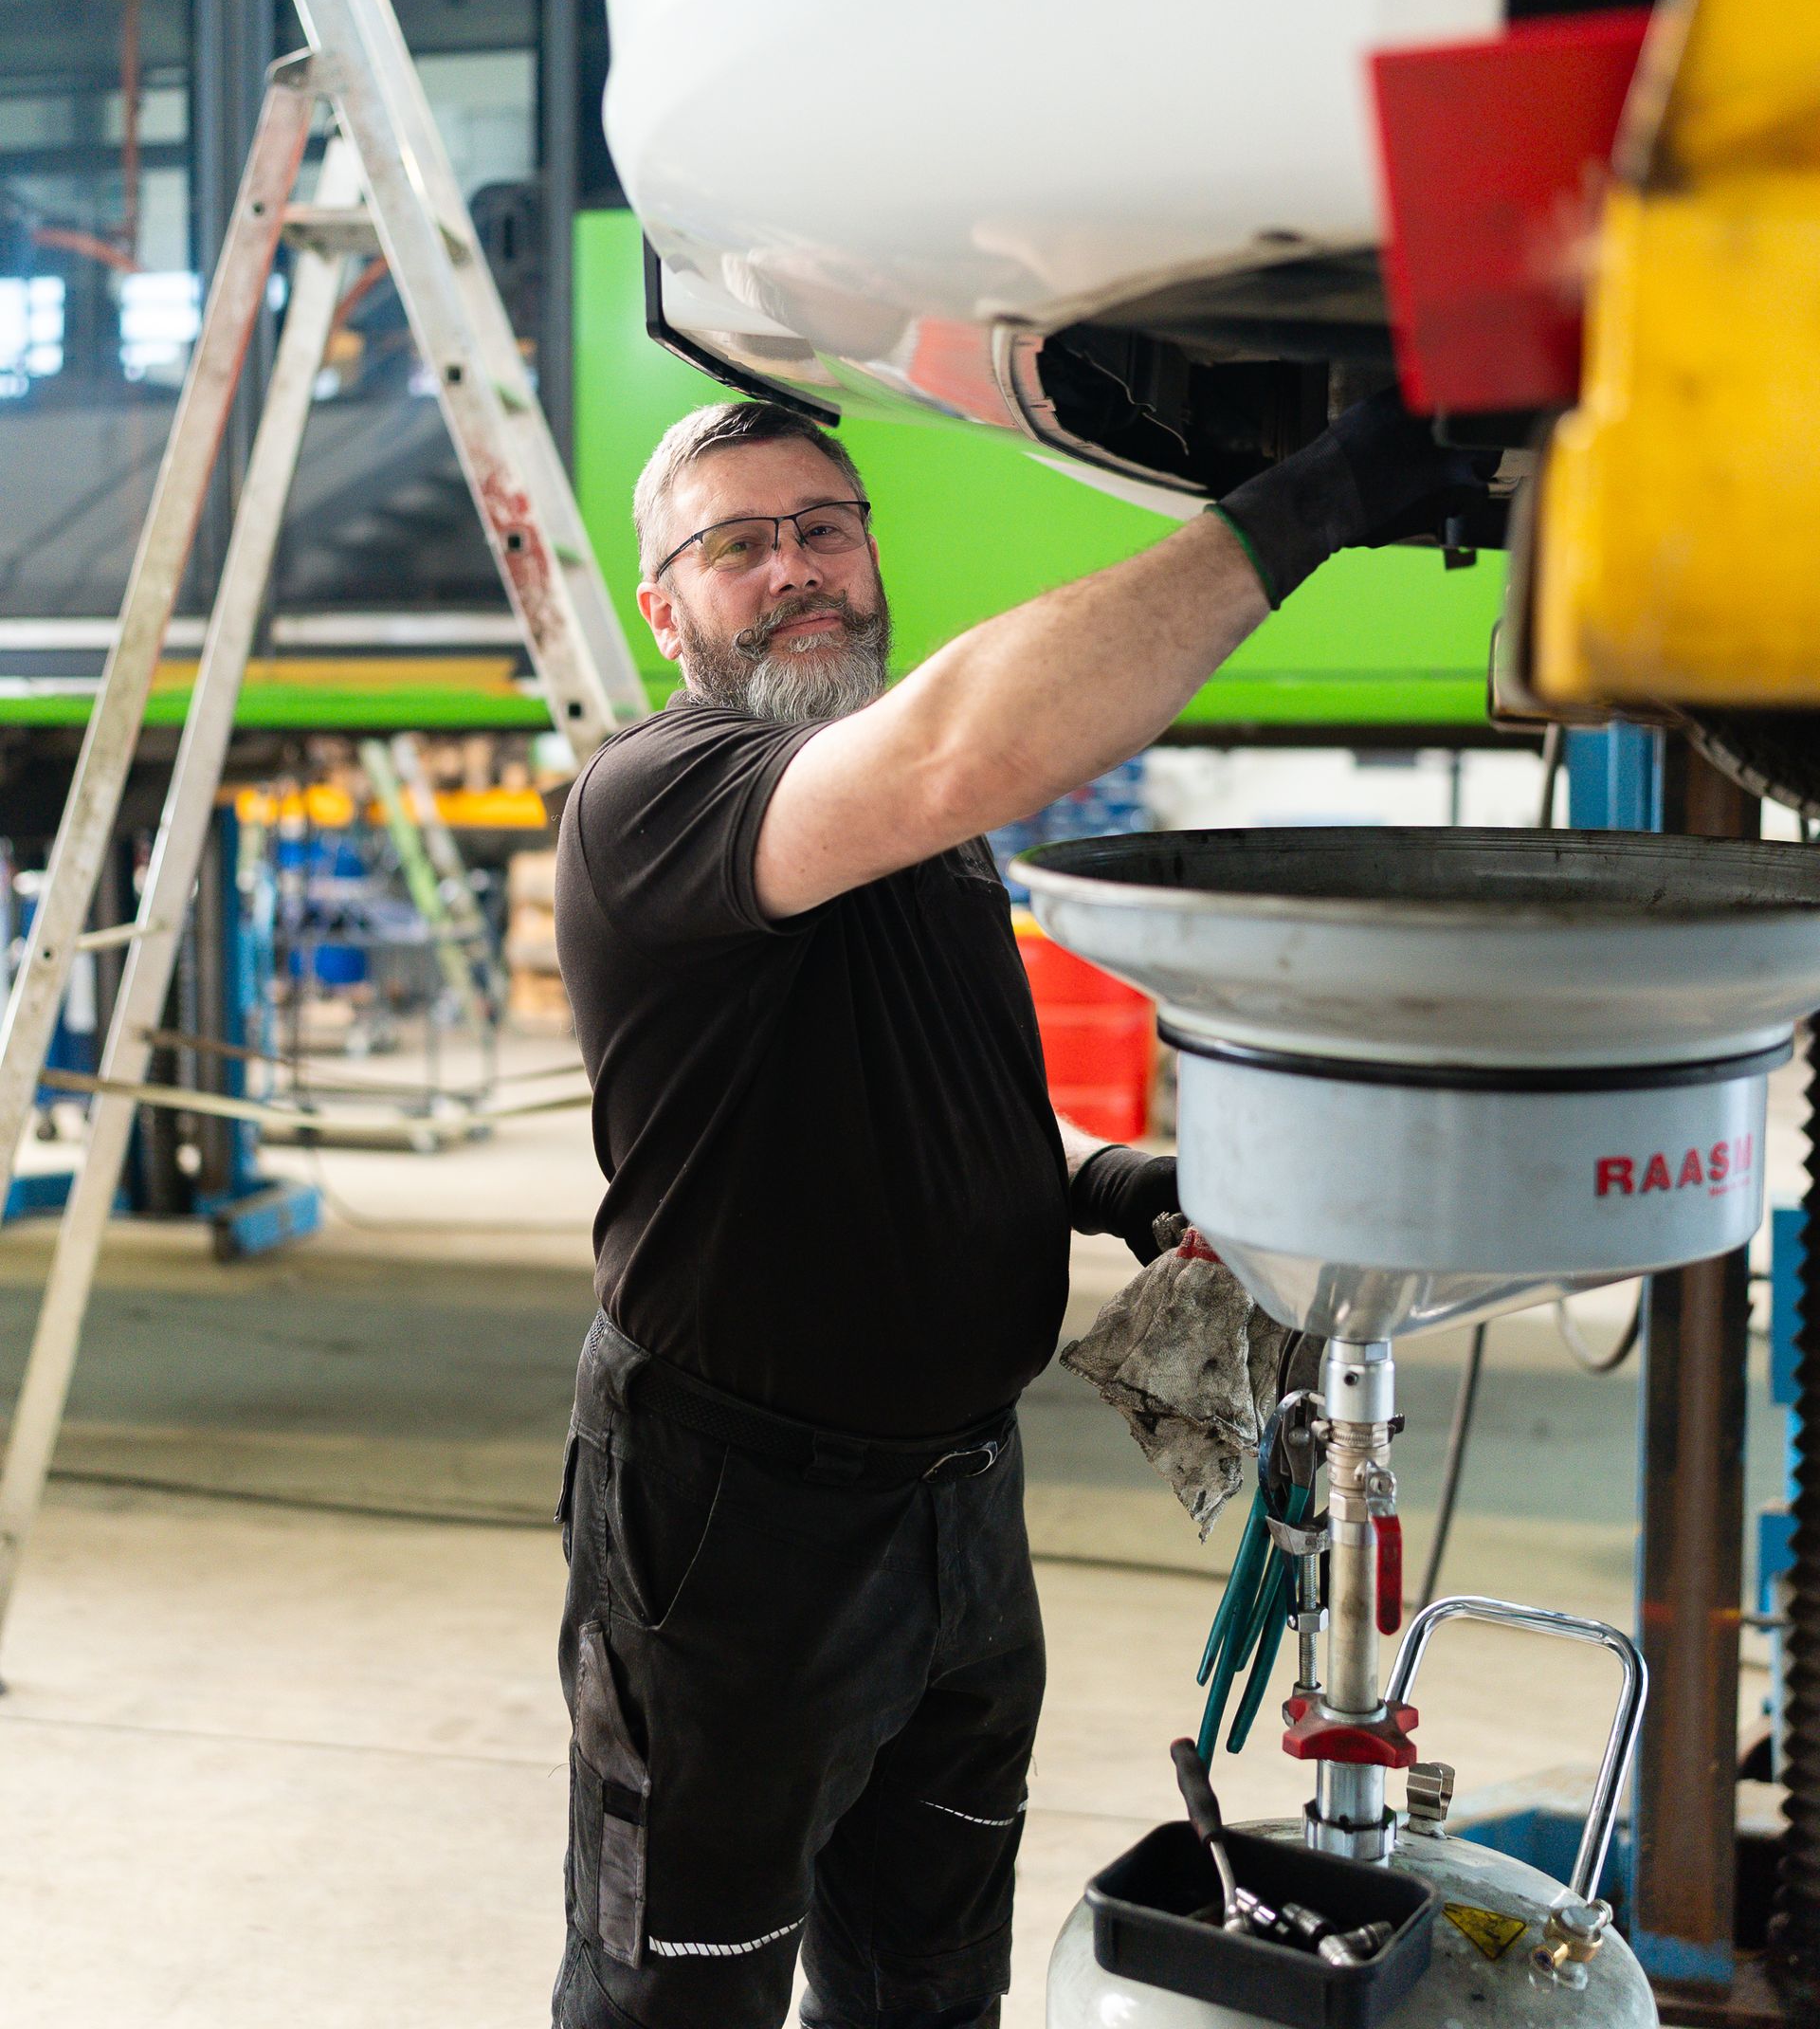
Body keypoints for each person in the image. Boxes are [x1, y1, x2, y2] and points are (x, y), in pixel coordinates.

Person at [551, 391, 1489, 2029]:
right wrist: (1312, 499)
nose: (794, 569)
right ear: (664, 608)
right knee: (675, 1996)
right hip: (736, 1536)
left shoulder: (913, 829)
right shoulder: (668, 794)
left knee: (931, 1976)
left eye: (823, 527)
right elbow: (966, 737)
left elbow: (951, 1085)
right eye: (738, 544)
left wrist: (1111, 1180)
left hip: (959, 1511)